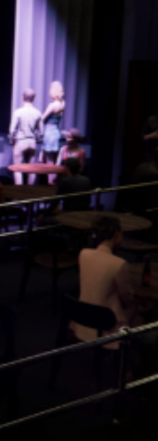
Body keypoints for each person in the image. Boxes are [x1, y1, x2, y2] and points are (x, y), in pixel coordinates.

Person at [74, 215, 140, 345]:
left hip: (82, 319)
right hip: (106, 325)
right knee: (139, 309)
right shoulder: (119, 264)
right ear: (116, 233)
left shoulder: (83, 254)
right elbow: (126, 298)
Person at [8, 89, 43, 170]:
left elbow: (11, 131)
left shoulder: (18, 112)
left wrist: (12, 141)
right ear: (33, 99)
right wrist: (35, 139)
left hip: (21, 142)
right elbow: (41, 133)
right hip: (32, 143)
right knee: (31, 170)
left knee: (17, 169)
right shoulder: (38, 112)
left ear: (22, 98)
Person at [121, 146, 158, 213]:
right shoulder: (154, 174)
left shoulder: (141, 166)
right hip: (145, 210)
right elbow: (153, 199)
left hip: (134, 205)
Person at [40, 80, 67, 161]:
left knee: (49, 161)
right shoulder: (62, 104)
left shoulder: (52, 105)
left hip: (49, 134)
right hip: (55, 132)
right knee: (47, 159)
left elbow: (42, 118)